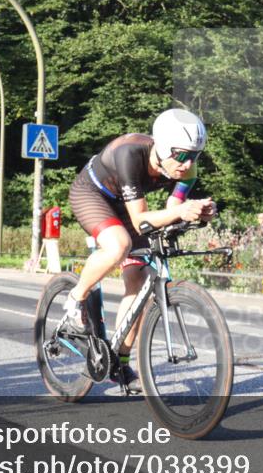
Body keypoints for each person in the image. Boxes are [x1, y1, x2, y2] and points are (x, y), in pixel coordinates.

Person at [62, 108, 216, 388]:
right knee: (119, 244)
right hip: (94, 195)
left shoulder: (188, 168)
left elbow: (171, 210)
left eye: (195, 155)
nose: (187, 163)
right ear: (161, 147)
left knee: (140, 280)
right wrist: (182, 210)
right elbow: (141, 219)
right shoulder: (129, 154)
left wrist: (199, 212)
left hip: (131, 205)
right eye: (181, 155)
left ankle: (120, 363)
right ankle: (76, 298)